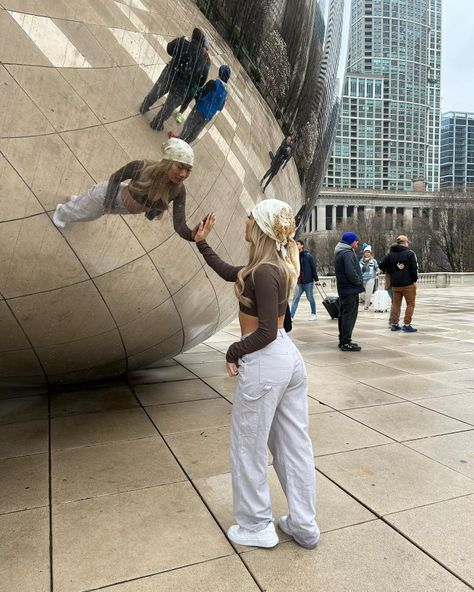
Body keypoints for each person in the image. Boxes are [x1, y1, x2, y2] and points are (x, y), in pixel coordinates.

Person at [194, 200, 320, 551]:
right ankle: (304, 525)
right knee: (293, 445)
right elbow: (229, 271)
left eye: (250, 216)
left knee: (248, 447)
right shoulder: (270, 265)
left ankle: (255, 526)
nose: (245, 220)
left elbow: (264, 330)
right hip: (284, 358)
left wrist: (233, 351)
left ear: (261, 226)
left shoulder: (265, 271)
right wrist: (202, 243)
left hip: (267, 359)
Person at [52, 138, 196, 240]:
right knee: (88, 214)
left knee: (85, 208)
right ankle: (61, 212)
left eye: (188, 170)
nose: (183, 174)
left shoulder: (178, 191)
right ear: (168, 163)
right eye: (180, 167)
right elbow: (115, 177)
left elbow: (179, 225)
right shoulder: (142, 167)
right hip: (107, 196)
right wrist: (107, 203)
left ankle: (79, 202)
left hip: (121, 206)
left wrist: (194, 236)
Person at [140, 28, 207, 131]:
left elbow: (169, 48)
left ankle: (144, 106)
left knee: (157, 90)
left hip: (171, 72)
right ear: (202, 45)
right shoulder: (202, 60)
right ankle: (157, 123)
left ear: (193, 37)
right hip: (183, 85)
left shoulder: (182, 42)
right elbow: (201, 80)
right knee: (170, 105)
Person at [178, 65, 231, 144]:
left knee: (188, 126)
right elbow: (220, 107)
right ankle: (186, 144)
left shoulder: (213, 83)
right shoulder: (226, 92)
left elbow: (201, 95)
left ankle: (179, 141)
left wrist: (196, 96)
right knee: (195, 132)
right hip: (208, 116)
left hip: (199, 109)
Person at [379, 235, 418, 332]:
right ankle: (407, 324)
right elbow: (414, 269)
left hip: (395, 285)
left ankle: (395, 324)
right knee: (410, 304)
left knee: (395, 305)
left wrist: (393, 269)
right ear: (405, 243)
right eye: (407, 242)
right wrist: (414, 280)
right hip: (408, 283)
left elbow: (381, 266)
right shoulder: (409, 253)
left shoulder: (390, 255)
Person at [334, 231, 364, 351]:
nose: (357, 242)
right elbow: (351, 272)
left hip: (345, 289)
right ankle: (346, 342)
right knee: (349, 315)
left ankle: (343, 340)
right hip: (349, 289)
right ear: (351, 241)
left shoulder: (341, 252)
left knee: (344, 314)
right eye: (356, 240)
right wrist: (359, 282)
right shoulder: (347, 253)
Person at [175, 37, 211, 124]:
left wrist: (197, 87)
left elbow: (204, 75)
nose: (204, 49)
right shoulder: (197, 52)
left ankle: (180, 113)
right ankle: (172, 105)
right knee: (180, 96)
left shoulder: (207, 61)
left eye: (206, 48)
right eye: (203, 47)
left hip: (195, 85)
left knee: (187, 100)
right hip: (188, 80)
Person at [290, 240, 320, 321]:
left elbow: (313, 269)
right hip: (299, 283)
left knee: (310, 298)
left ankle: (313, 314)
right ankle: (291, 316)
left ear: (302, 246)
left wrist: (316, 280)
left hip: (308, 282)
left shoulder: (308, 256)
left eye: (297, 244)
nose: (296, 245)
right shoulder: (294, 257)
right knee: (295, 299)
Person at [359, 245, 379, 310]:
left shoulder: (373, 261)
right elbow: (359, 269)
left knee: (368, 293)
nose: (367, 253)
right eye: (366, 252)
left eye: (368, 252)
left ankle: (366, 306)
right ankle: (367, 301)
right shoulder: (361, 261)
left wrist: (377, 272)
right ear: (364, 253)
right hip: (362, 278)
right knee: (361, 293)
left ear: (370, 253)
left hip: (370, 278)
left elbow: (377, 268)